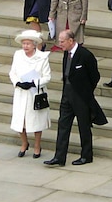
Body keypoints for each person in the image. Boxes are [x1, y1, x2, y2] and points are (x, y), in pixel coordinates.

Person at [44, 29, 105, 166]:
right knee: (63, 125)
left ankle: (86, 155)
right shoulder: (66, 54)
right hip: (67, 94)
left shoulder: (85, 55)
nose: (60, 44)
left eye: (62, 41)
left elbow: (95, 76)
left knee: (84, 126)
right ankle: (59, 157)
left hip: (81, 96)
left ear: (71, 41)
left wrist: (86, 91)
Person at [9, 30, 51, 158]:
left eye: (28, 43)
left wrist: (34, 83)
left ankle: (37, 146)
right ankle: (24, 143)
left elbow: (47, 77)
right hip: (21, 93)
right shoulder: (18, 55)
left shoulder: (42, 58)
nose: (25, 46)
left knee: (36, 121)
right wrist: (18, 83)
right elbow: (12, 72)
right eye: (23, 43)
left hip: (35, 93)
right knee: (20, 120)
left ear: (34, 45)